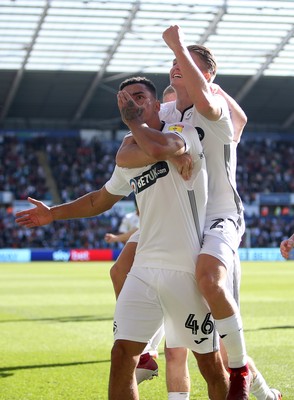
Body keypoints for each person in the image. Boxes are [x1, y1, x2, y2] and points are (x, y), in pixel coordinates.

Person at [15, 76, 229, 400]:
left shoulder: (182, 131)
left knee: (210, 365)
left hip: (186, 268)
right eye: (125, 99)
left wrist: (134, 126)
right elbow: (98, 200)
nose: (131, 103)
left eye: (139, 97)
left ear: (159, 105)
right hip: (144, 269)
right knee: (121, 357)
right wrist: (52, 213)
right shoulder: (128, 148)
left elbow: (156, 148)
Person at [116, 25, 281, 400]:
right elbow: (135, 137)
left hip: (218, 215)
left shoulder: (214, 106)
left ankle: (253, 385)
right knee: (122, 267)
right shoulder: (170, 108)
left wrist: (177, 43)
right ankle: (144, 350)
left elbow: (222, 111)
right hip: (179, 216)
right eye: (173, 62)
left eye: (185, 63)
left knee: (213, 319)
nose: (176, 65)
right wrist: (161, 142)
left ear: (206, 75)